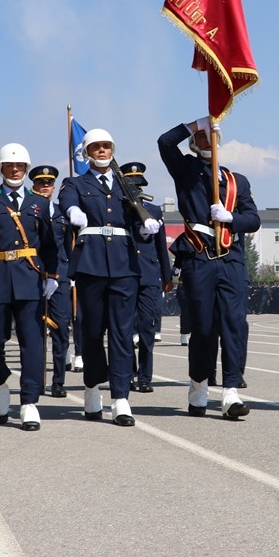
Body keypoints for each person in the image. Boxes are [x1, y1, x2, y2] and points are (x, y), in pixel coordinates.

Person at [158, 116, 260, 420]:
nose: (207, 140)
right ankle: (199, 385)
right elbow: (165, 142)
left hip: (231, 258)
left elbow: (253, 220)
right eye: (201, 137)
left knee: (234, 323)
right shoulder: (186, 170)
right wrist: (196, 124)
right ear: (193, 143)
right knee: (203, 327)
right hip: (198, 257)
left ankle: (231, 391)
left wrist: (231, 218)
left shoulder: (236, 181)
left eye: (210, 136)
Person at [0, 143, 60, 431]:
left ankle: (29, 402)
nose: (15, 169)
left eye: (19, 166)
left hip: (30, 277)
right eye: (9, 165)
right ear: (0, 168)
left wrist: (52, 276)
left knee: (32, 342)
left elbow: (50, 244)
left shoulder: (40, 203)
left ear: (26, 169)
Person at [57, 129, 149, 427]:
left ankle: (120, 398)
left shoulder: (126, 184)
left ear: (112, 149)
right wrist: (73, 210)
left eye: (106, 146)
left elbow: (137, 216)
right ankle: (93, 387)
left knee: (122, 333)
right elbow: (66, 200)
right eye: (95, 146)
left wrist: (146, 226)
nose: (101, 150)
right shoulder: (76, 183)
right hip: (91, 263)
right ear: (86, 152)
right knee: (93, 331)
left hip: (124, 264)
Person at [119, 162, 173, 394]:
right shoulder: (118, 211)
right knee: (124, 328)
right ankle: (128, 373)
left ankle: (145, 377)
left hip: (149, 275)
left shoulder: (154, 211)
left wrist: (167, 276)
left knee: (147, 329)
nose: (136, 189)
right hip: (125, 273)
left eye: (138, 185)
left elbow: (161, 246)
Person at [29, 164, 72, 398]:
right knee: (33, 330)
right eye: (40, 183)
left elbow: (68, 247)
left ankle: (58, 381)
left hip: (60, 277)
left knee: (61, 329)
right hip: (33, 274)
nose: (45, 186)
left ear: (54, 187)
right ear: (33, 186)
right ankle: (35, 380)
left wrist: (70, 275)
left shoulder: (62, 213)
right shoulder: (28, 210)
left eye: (49, 183)